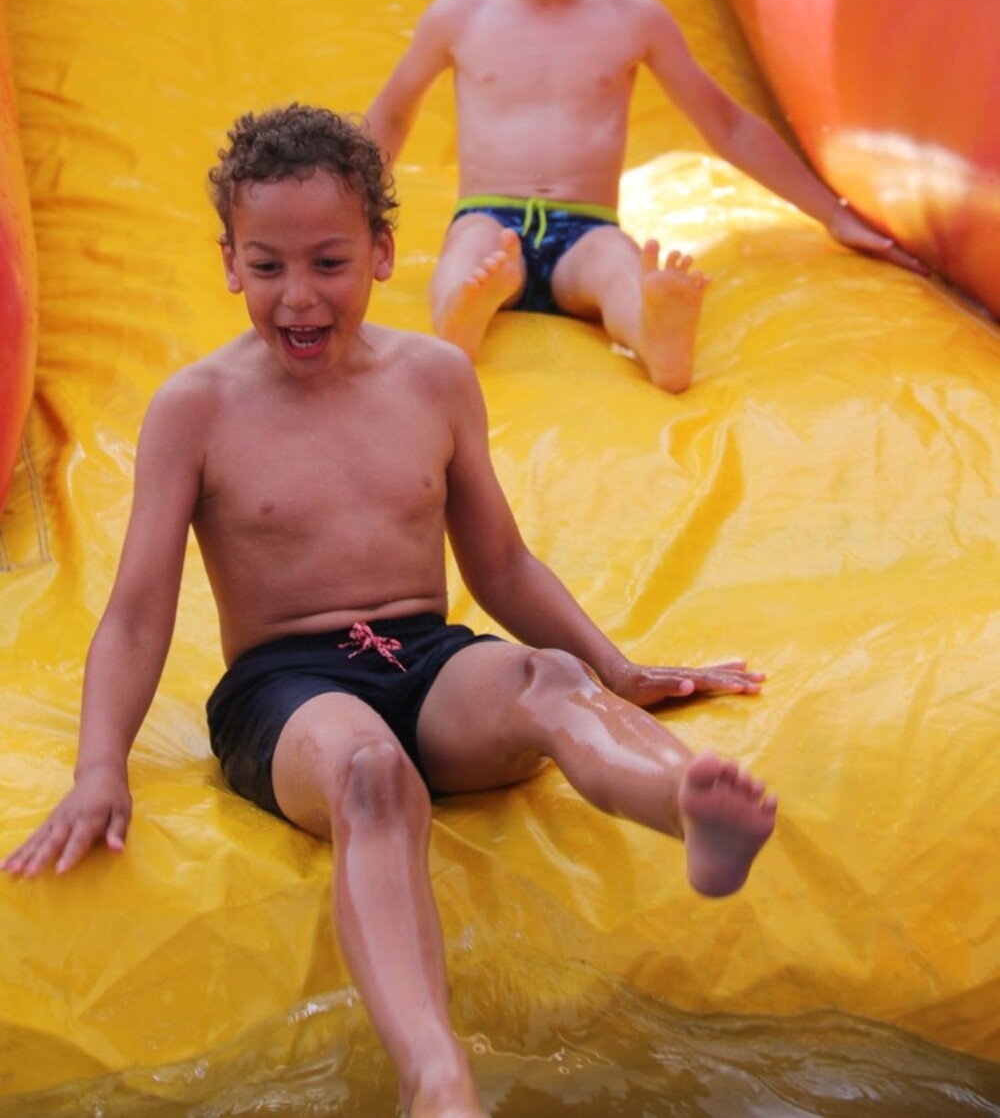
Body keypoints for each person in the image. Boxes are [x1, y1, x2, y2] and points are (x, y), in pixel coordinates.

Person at [3, 105, 777, 1118]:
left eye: (328, 262)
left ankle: (687, 809)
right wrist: (99, 767)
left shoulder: (435, 378)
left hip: (427, 658)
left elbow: (500, 561)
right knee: (371, 774)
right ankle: (434, 1075)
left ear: (380, 251)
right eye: (267, 266)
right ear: (230, 262)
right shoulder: (196, 408)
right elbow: (138, 613)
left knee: (549, 678)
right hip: (285, 690)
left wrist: (617, 667)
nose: (298, 296)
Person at [365, 0, 925, 392]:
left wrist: (833, 215)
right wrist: (351, 212)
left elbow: (729, 126)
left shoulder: (634, 20)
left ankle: (653, 332)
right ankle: (463, 315)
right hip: (489, 215)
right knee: (467, 254)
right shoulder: (457, 18)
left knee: (617, 267)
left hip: (586, 227)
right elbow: (392, 117)